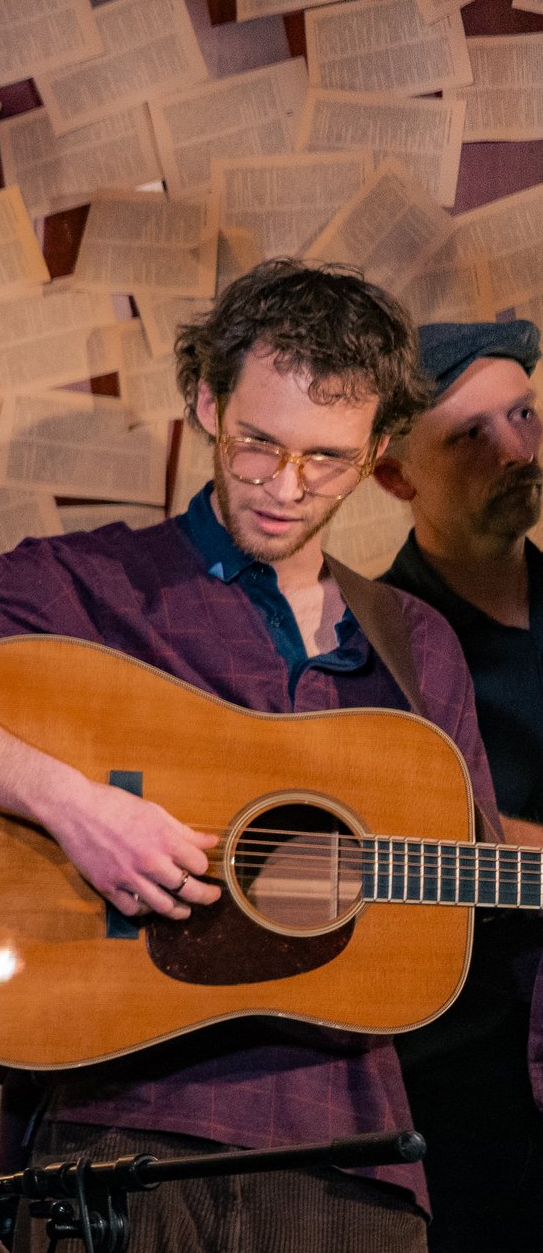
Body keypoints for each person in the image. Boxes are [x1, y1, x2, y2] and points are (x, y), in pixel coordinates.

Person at [0, 261, 496, 1252]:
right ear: (207, 400)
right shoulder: (83, 584)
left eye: (327, 459)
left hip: (353, 1163)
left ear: (378, 449)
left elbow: (460, 881)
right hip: (112, 1140)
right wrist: (65, 800)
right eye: (257, 441)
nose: (283, 485)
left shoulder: (415, 641)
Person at [369, 318, 543, 1251]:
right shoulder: (368, 646)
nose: (515, 449)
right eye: (470, 435)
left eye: (524, 414)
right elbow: (402, 838)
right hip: (461, 1096)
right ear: (396, 478)